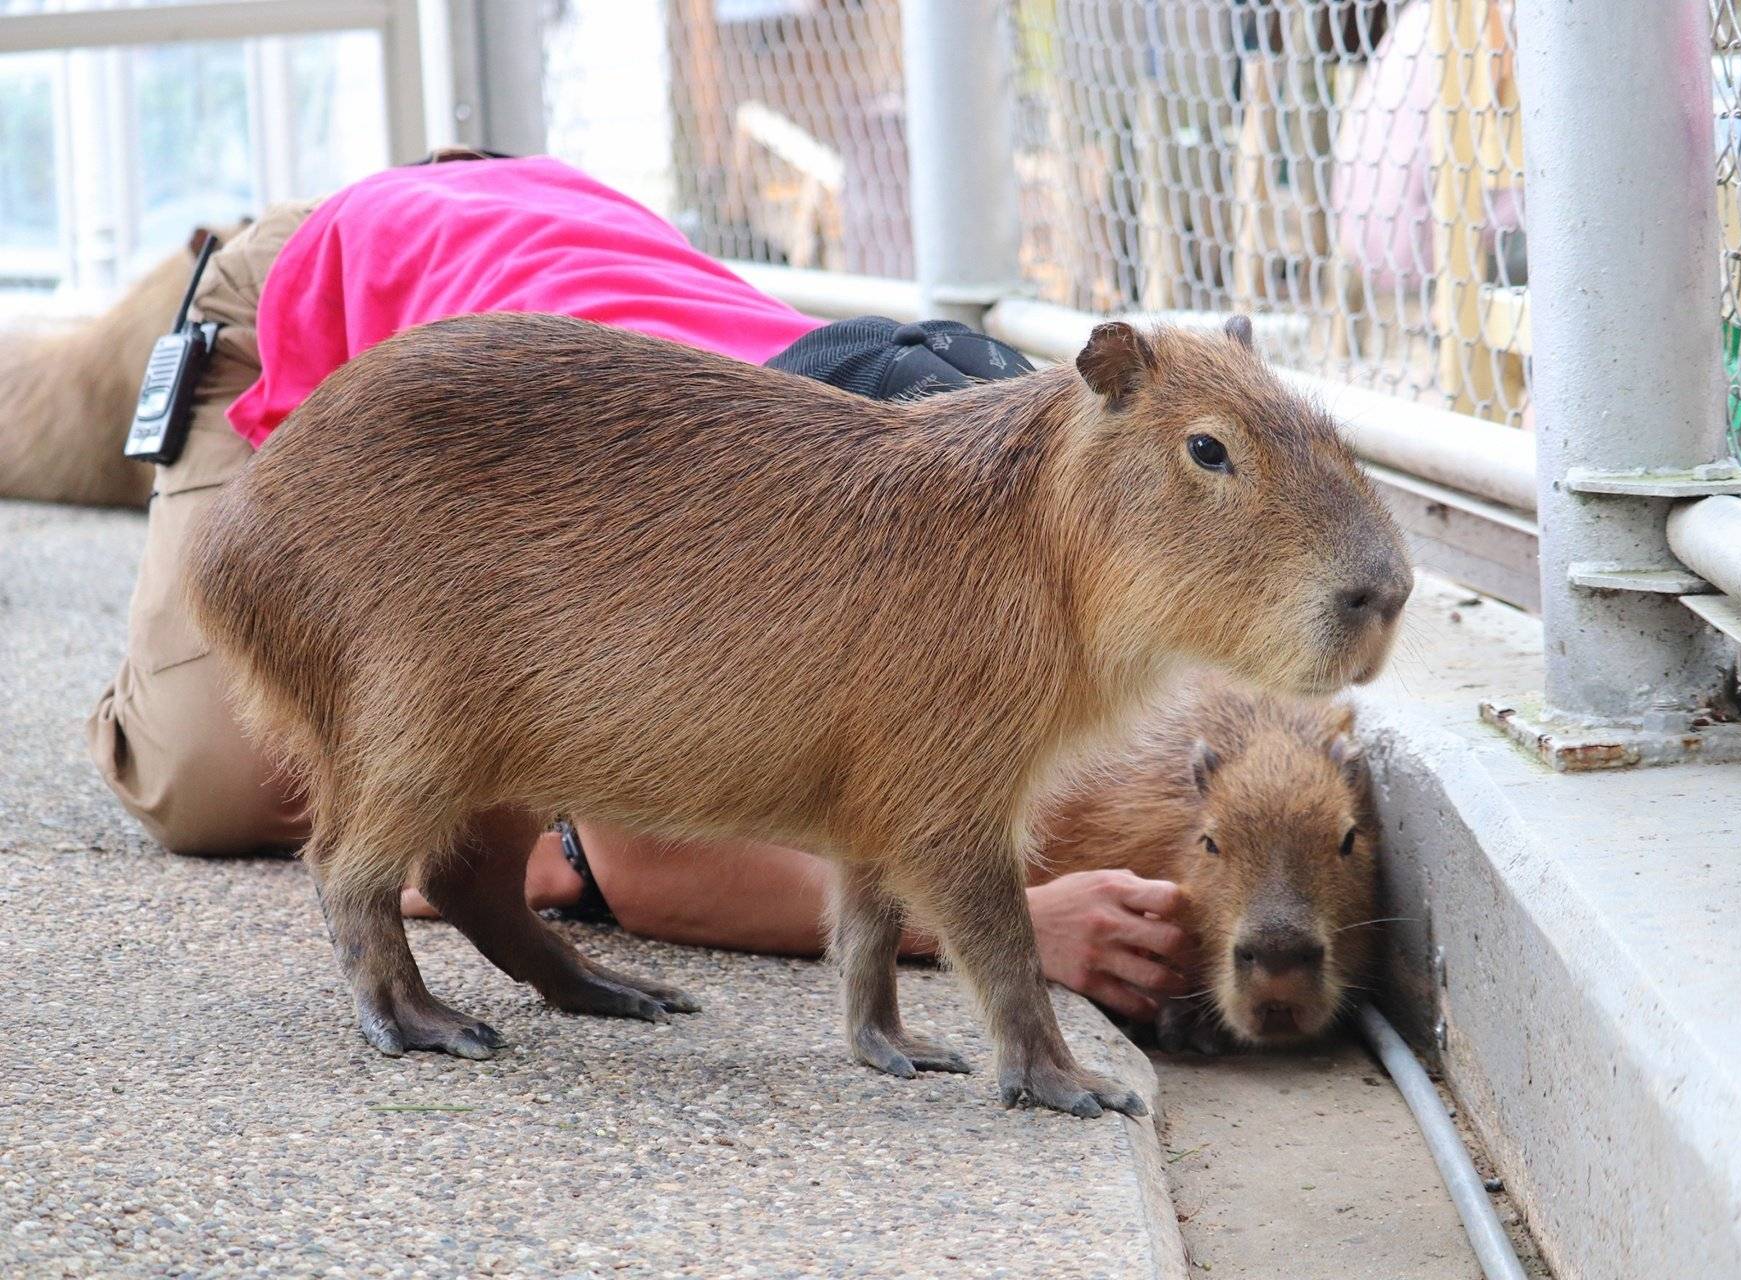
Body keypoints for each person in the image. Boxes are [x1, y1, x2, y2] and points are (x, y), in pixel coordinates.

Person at [85, 151, 1189, 1022]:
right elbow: (651, 841)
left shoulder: (932, 460)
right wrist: (1008, 924)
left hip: (528, 217)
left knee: (498, 687)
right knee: (215, 776)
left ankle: (487, 877)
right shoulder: (719, 524)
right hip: (316, 274)